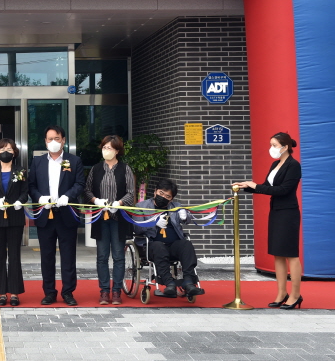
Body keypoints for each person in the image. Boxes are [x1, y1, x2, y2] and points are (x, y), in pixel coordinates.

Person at [233, 132, 302, 309]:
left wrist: (255, 185)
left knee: (291, 255)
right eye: (270, 145)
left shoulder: (294, 165)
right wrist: (247, 186)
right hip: (276, 212)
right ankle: (281, 293)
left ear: (285, 147)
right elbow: (267, 187)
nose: (271, 149)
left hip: (288, 213)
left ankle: (295, 295)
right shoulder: (275, 164)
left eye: (274, 145)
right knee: (278, 253)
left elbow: (284, 190)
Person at [28, 125, 85, 306]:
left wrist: (68, 196)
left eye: (57, 139)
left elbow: (80, 183)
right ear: (45, 141)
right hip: (45, 215)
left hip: (66, 214)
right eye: (50, 139)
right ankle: (49, 293)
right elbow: (31, 185)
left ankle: (68, 292)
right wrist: (39, 198)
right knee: (47, 257)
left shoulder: (74, 161)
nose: (53, 142)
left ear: (63, 140)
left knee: (68, 256)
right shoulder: (37, 161)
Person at [84, 135, 136, 306]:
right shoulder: (96, 169)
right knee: (102, 256)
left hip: (119, 218)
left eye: (110, 148)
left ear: (117, 150)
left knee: (119, 256)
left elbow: (131, 193)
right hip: (101, 218)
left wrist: (118, 203)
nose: (106, 150)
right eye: (104, 147)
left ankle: (116, 291)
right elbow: (87, 190)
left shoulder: (125, 169)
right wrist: (96, 201)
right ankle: (104, 291)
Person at [133, 178, 204, 298]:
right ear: (155, 191)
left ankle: (188, 281)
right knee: (159, 246)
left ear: (171, 199)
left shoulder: (176, 206)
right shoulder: (141, 206)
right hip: (152, 245)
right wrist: (153, 223)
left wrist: (185, 216)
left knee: (186, 244)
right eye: (161, 193)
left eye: (167, 196)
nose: (163, 197)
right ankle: (169, 283)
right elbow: (137, 228)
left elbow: (187, 220)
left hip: (173, 245)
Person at [0, 138, 28, 306]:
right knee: (0, 255)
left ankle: (15, 292)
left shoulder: (20, 170)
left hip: (15, 217)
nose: (5, 152)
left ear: (14, 152)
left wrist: (20, 201)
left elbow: (25, 191)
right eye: (2, 150)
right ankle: (1, 292)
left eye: (9, 149)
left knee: (14, 255)